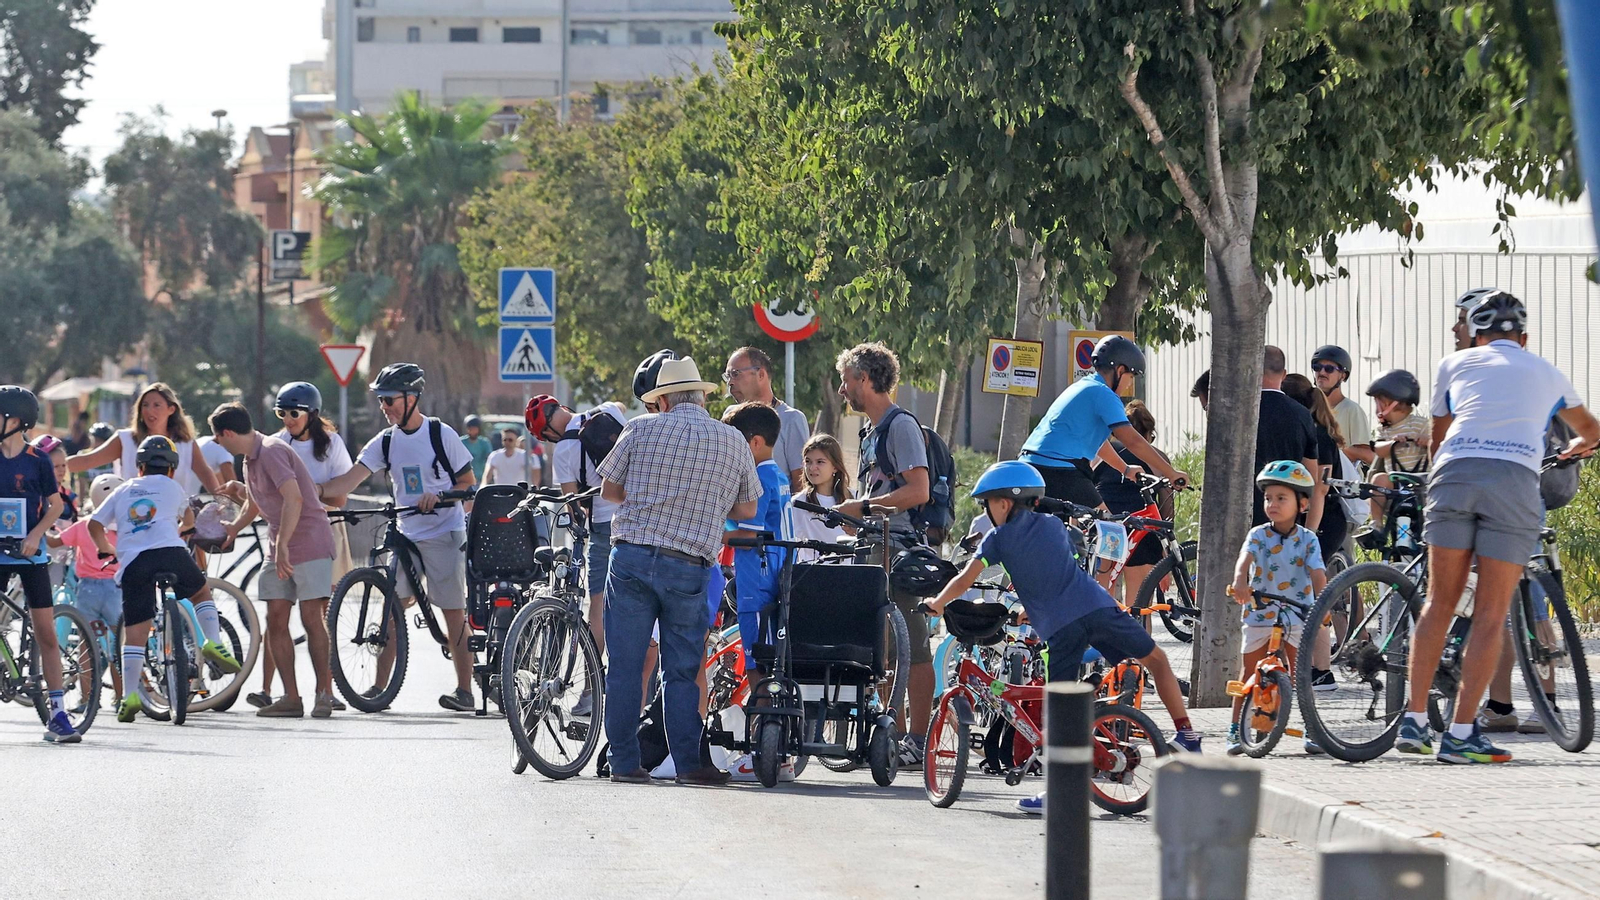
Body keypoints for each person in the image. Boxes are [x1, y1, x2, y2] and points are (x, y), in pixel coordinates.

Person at [924, 461, 1201, 815]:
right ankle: (1188, 736)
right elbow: (1054, 569)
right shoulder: (1055, 526)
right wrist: (1034, 604)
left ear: (1005, 503)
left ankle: (1059, 792)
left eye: (988, 503)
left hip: (1061, 629)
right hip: (1098, 609)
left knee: (1059, 714)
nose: (987, 511)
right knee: (1157, 661)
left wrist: (937, 602)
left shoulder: (997, 538)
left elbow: (965, 578)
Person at [1398, 291, 1599, 763]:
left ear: (1476, 333)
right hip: (1513, 481)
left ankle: (1415, 719)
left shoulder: (1454, 363)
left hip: (1454, 475)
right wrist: (1572, 452)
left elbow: (1439, 436)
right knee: (1490, 614)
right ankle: (1463, 734)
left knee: (1439, 603)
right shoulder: (1546, 371)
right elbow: (1591, 431)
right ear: (1523, 337)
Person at [596, 357, 760, 786]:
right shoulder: (732, 440)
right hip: (689, 565)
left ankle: (625, 763)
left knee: (627, 665)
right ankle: (689, 765)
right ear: (703, 396)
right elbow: (747, 509)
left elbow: (609, 490)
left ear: (663, 399)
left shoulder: (639, 428)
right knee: (682, 669)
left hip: (631, 557)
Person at [319, 363, 480, 711]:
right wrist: (310, 492)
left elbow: (468, 484)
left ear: (411, 398)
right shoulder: (386, 441)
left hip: (443, 532)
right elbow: (348, 482)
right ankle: (380, 688)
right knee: (391, 609)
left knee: (453, 611)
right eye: (381, 401)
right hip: (405, 533)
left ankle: (465, 691)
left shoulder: (440, 434)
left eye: (389, 400)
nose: (385, 407)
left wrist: (439, 496)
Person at [831, 342, 935, 765]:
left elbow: (918, 490)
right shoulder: (871, 431)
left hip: (899, 548)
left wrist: (863, 509)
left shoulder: (900, 425)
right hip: (874, 545)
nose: (842, 389)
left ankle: (918, 739)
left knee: (914, 646)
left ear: (867, 380)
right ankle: (886, 735)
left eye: (847, 380)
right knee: (883, 649)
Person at [91, 435, 242, 724]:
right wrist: (181, 527)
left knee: (136, 632)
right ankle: (212, 641)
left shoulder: (123, 490)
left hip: (136, 562)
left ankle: (130, 695)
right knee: (200, 593)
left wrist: (105, 547)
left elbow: (94, 523)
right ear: (172, 469)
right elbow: (189, 521)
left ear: (139, 468)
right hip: (171, 553)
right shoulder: (174, 487)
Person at [210, 403, 339, 719]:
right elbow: (254, 504)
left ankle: (324, 694)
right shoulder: (250, 460)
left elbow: (294, 498)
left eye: (217, 438)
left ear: (227, 433)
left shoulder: (270, 451)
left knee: (311, 618)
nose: (217, 444)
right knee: (275, 619)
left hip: (308, 541)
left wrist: (282, 544)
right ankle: (291, 698)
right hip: (280, 545)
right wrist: (233, 530)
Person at [245, 382, 354, 711]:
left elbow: (341, 495)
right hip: (283, 532)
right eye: (282, 413)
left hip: (325, 529)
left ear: (312, 414)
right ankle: (269, 689)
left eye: (295, 413)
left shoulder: (331, 444)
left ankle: (326, 690)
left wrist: (309, 491)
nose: (288, 419)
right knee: (276, 614)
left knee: (317, 614)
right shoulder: (275, 444)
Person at [1227, 461, 1328, 755]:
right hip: (1261, 611)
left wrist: (1323, 605)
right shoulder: (1258, 534)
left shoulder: (1308, 539)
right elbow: (1244, 560)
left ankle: (1312, 728)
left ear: (1303, 503)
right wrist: (1240, 581)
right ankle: (1235, 729)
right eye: (1268, 498)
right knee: (1249, 673)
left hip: (1298, 614)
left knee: (1302, 675)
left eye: (1281, 498)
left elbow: (1318, 574)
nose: (1272, 504)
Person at [1019, 335, 1188, 509]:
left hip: (1032, 465)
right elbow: (1132, 441)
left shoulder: (1083, 386)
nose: (1129, 384)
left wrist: (1125, 469)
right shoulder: (1104, 394)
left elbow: (1098, 444)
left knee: (1064, 531)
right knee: (1108, 528)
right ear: (1120, 371)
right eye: (1131, 377)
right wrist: (1171, 473)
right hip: (1060, 470)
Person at [526, 394, 628, 669]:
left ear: (547, 432)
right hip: (636, 518)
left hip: (604, 524)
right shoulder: (607, 410)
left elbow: (573, 507)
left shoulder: (562, 451)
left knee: (598, 604)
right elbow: (621, 406)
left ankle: (589, 687)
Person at [0, 387, 77, 742]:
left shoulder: (36, 460)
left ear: (14, 421)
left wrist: (36, 535)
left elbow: (56, 506)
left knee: (45, 632)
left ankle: (59, 715)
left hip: (32, 554)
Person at [68, 383, 225, 499]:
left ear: (171, 409)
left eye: (157, 405)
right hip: (134, 520)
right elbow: (88, 460)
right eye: (145, 405)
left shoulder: (186, 443)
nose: (150, 410)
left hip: (175, 523)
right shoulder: (125, 440)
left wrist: (222, 503)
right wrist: (50, 464)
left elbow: (205, 472)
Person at [720, 402, 788, 667]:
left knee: (757, 662)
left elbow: (751, 537)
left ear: (755, 443)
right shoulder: (778, 475)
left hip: (758, 582)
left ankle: (760, 709)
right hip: (775, 574)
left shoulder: (758, 478)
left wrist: (713, 534)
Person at [1092, 400, 1174, 612]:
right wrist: (1166, 552)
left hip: (1107, 523)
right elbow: (1166, 507)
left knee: (1104, 594)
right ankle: (1139, 642)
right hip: (1142, 527)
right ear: (1148, 434)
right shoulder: (1157, 458)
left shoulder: (1102, 455)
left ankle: (1104, 640)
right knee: (1139, 604)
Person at [51, 475, 124, 691]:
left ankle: (87, 698)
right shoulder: (124, 528)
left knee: (86, 643)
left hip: (87, 589)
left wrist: (43, 529)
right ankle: (121, 696)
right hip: (116, 590)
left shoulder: (84, 525)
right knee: (117, 643)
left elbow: (56, 542)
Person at [1254, 347, 1323, 531]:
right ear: (1284, 374)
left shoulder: (1242, 412)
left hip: (1246, 507)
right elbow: (1311, 474)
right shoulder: (1302, 414)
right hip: (1287, 511)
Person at [724, 346, 811, 491]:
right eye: (728, 376)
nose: (730, 382)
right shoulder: (730, 416)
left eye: (735, 374)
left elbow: (801, 483)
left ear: (761, 375)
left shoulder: (791, 419)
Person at [1353, 369, 1429, 530]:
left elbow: (1436, 445)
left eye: (1378, 402)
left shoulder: (1421, 424)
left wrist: (1427, 441)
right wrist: (1392, 444)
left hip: (1421, 480)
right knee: (1379, 479)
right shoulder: (1385, 430)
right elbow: (1378, 450)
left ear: (1393, 403)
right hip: (1395, 482)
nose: (1376, 408)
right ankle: (1377, 523)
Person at [783, 434, 852, 563]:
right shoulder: (798, 503)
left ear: (835, 466)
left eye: (820, 462)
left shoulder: (853, 498)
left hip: (848, 574)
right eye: (808, 461)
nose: (812, 467)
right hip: (812, 575)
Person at [1310, 345, 1370, 464]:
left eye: (1329, 369)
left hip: (1341, 479)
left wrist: (1331, 451)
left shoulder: (1352, 410)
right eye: (1317, 367)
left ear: (1343, 376)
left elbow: (1368, 455)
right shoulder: (1305, 407)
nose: (1322, 372)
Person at [460, 415, 494, 482]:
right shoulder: (461, 442)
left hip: (480, 478)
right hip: (465, 479)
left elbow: (490, 459)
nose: (472, 431)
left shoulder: (484, 443)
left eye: (475, 429)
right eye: (470, 429)